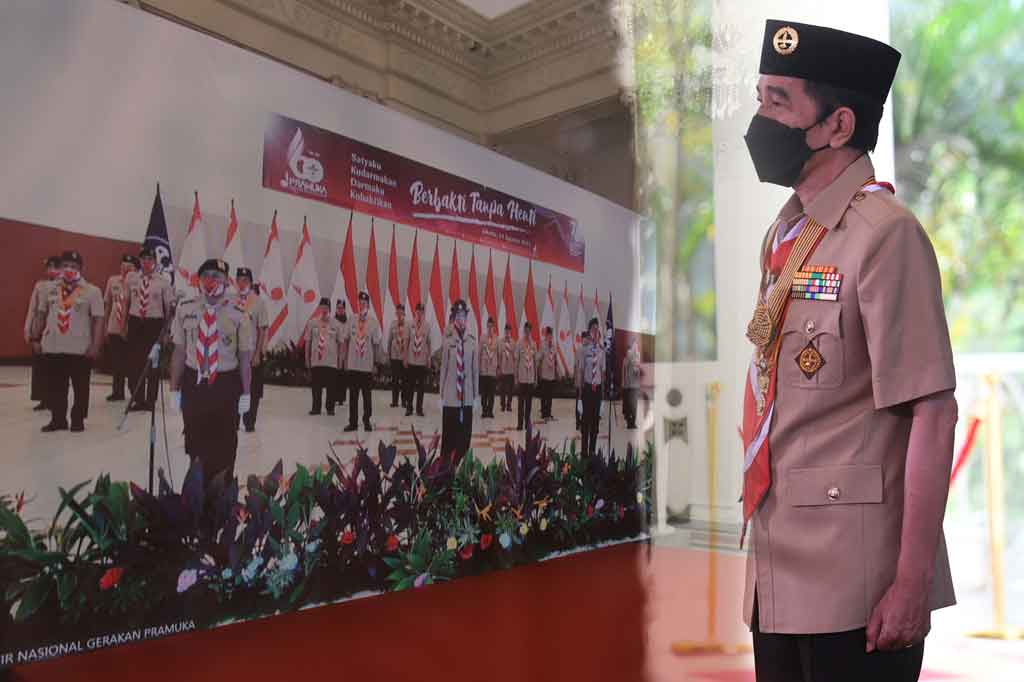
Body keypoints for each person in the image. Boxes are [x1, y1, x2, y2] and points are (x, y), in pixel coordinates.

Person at [739, 21, 958, 682]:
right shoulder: (786, 236)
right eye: (759, 98)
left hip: (856, 585)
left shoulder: (885, 236)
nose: (760, 118)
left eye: (778, 101)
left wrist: (912, 583)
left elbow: (932, 412)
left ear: (837, 125)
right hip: (778, 570)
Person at [169, 259, 253, 483]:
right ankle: (197, 493)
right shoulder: (185, 308)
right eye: (206, 275)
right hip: (194, 383)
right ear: (198, 280)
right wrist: (174, 390)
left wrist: (246, 393)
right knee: (195, 441)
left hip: (225, 384)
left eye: (216, 276)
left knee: (225, 445)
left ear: (227, 281)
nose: (210, 280)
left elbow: (245, 358)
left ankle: (222, 491)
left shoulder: (238, 313)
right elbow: (179, 352)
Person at [29, 251, 105, 433]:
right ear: (61, 267)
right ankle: (58, 419)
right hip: (53, 346)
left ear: (81, 269)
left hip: (79, 348)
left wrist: (96, 345)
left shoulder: (92, 291)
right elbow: (41, 314)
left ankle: (78, 419)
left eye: (73, 266)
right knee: (56, 386)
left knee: (81, 387)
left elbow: (98, 320)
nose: (69, 269)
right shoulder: (49, 289)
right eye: (65, 265)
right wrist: (35, 337)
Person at [125, 246, 174, 411]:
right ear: (140, 261)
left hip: (154, 325)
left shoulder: (163, 282)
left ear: (154, 261)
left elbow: (169, 310)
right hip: (135, 322)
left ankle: (150, 401)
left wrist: (166, 332)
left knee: (153, 364)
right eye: (143, 259)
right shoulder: (132, 279)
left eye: (150, 259)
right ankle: (137, 399)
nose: (146, 262)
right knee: (134, 364)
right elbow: (126, 303)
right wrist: (123, 325)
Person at [439, 300, 478, 462]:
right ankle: (445, 469)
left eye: (463, 315)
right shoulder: (448, 342)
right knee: (449, 437)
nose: (461, 319)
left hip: (466, 398)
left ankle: (461, 468)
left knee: (464, 437)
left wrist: (476, 397)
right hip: (451, 398)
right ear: (454, 317)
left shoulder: (472, 342)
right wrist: (441, 395)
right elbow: (443, 369)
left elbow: (475, 371)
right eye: (458, 315)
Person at [24, 255, 61, 411]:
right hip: (39, 328)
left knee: (55, 367)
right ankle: (43, 399)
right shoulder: (40, 285)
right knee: (40, 366)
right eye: (48, 267)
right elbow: (32, 309)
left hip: (56, 330)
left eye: (54, 267)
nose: (51, 270)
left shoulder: (64, 285)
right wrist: (28, 330)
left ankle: (55, 399)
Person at [343, 291, 382, 432]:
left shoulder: (373, 322)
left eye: (364, 303)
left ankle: (367, 421)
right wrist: (344, 359)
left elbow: (376, 344)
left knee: (367, 396)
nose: (362, 305)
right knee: (353, 396)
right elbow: (345, 340)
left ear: (368, 305)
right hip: (353, 364)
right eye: (360, 303)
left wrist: (376, 363)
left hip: (366, 365)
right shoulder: (352, 319)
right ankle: (353, 422)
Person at [235, 268, 268, 432]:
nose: (242, 283)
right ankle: (233, 421)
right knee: (234, 388)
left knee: (252, 390)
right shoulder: (231, 300)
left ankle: (249, 422)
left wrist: (257, 354)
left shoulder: (258, 302)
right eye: (239, 280)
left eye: (245, 280)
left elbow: (262, 330)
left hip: (250, 352)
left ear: (250, 282)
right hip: (233, 354)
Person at [102, 254, 139, 402]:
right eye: (123, 266)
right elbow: (107, 304)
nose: (125, 269)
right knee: (116, 360)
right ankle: (117, 391)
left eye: (129, 267)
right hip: (114, 326)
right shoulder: (113, 281)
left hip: (131, 328)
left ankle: (134, 391)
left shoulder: (137, 283)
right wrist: (105, 325)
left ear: (135, 269)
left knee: (131, 362)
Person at [305, 297, 344, 415]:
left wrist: (340, 360)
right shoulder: (312, 323)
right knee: (316, 386)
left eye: (326, 307)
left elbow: (341, 344)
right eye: (322, 307)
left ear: (330, 309)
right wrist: (307, 359)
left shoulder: (336, 324)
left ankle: (330, 408)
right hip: (316, 361)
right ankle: (316, 408)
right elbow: (308, 342)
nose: (324, 310)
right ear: (319, 308)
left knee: (331, 387)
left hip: (331, 362)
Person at [575, 318, 604, 457]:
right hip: (587, 389)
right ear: (589, 331)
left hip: (597, 389)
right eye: (593, 329)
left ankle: (592, 452)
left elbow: (603, 372)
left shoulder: (601, 351)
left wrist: (603, 395)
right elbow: (581, 371)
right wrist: (580, 394)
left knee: (595, 423)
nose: (595, 332)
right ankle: (584, 452)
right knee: (585, 422)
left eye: (597, 329)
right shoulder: (583, 350)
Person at [404, 302, 432, 417]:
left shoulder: (427, 326)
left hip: (422, 361)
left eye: (421, 311)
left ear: (423, 313)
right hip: (411, 360)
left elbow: (429, 343)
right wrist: (405, 357)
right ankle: (409, 408)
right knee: (409, 386)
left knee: (421, 387)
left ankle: (419, 409)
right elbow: (406, 341)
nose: (419, 313)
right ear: (415, 312)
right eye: (418, 311)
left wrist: (429, 358)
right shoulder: (409, 324)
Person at [514, 322, 537, 431]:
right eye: (526, 330)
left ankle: (527, 423)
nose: (527, 332)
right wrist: (515, 378)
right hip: (522, 378)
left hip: (530, 378)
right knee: (520, 403)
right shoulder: (519, 343)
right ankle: (519, 423)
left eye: (529, 330)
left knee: (529, 403)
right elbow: (516, 361)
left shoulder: (534, 344)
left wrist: (536, 378)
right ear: (524, 330)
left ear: (530, 331)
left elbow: (535, 362)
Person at [387, 303, 409, 409]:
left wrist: (407, 356)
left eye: (401, 312)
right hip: (394, 356)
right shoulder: (393, 324)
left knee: (405, 380)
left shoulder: (408, 325)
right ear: (396, 313)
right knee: (395, 379)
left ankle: (404, 401)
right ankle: (394, 401)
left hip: (403, 356)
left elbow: (409, 341)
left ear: (404, 313)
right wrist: (389, 353)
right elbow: (389, 339)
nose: (399, 314)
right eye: (398, 312)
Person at [478, 317, 499, 419]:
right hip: (483, 370)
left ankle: (490, 411)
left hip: (492, 370)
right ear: (487, 326)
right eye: (488, 326)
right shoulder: (482, 338)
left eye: (492, 326)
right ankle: (484, 410)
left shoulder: (497, 339)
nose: (490, 328)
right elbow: (479, 353)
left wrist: (498, 367)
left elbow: (498, 354)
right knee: (484, 393)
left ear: (494, 327)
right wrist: (478, 367)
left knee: (491, 393)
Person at [537, 325, 558, 421]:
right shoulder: (542, 345)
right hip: (544, 373)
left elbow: (555, 358)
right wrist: (539, 371)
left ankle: (548, 412)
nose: (550, 337)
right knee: (544, 394)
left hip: (551, 374)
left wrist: (557, 371)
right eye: (549, 335)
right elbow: (539, 358)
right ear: (546, 335)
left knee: (550, 395)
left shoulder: (554, 345)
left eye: (551, 335)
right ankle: (543, 412)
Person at [621, 339, 642, 430]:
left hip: (635, 385)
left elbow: (637, 370)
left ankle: (633, 422)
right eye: (634, 345)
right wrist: (623, 382)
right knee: (630, 405)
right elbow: (625, 369)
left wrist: (638, 368)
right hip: (629, 384)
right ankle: (630, 422)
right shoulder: (629, 356)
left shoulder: (638, 356)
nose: (636, 347)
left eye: (636, 345)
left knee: (634, 405)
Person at [333, 299, 349, 407]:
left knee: (343, 376)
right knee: (334, 376)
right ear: (336, 309)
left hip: (344, 352)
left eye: (342, 308)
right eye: (338, 308)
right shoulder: (332, 321)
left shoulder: (348, 322)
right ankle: (334, 397)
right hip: (334, 353)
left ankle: (341, 398)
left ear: (344, 309)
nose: (340, 310)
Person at [498, 323, 516, 412]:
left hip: (511, 369)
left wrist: (510, 350)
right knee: (502, 389)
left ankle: (509, 405)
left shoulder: (513, 342)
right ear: (504, 331)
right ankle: (503, 405)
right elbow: (499, 355)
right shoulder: (501, 342)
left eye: (509, 331)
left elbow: (515, 356)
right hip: (503, 369)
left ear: (510, 332)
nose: (507, 332)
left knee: (510, 389)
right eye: (506, 331)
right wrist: (499, 367)